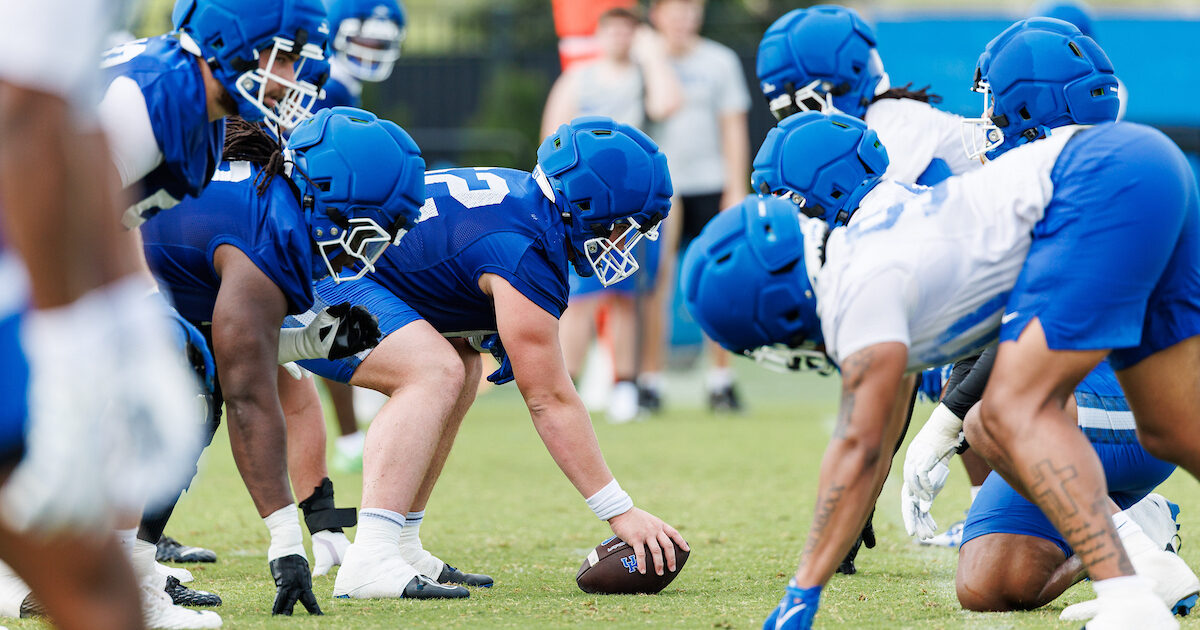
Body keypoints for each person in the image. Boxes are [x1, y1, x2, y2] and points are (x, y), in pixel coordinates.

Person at [682, 52, 1197, 624]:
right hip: (1140, 167)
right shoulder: (865, 254)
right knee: (1175, 426)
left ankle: (1129, 596)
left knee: (1003, 413)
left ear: (777, 307)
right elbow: (873, 437)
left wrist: (804, 590)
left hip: (1105, 178)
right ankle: (1132, 558)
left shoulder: (858, 284)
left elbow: (856, 447)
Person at [282, 116, 689, 599]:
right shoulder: (524, 248)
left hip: (325, 270)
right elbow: (550, 401)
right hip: (305, 279)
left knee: (460, 359)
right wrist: (619, 510)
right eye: (624, 226)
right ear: (588, 205)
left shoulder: (526, 204)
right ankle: (370, 557)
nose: (626, 242)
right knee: (433, 370)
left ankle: (400, 544)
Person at [140, 107, 427, 613]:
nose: (372, 246)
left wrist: (305, 344)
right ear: (332, 197)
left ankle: (130, 563)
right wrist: (286, 543)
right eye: (372, 224)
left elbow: (226, 345)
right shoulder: (269, 233)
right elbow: (247, 391)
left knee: (191, 384)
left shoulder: (264, 197)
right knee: (188, 401)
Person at [756, 4, 995, 553]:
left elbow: (879, 236)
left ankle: (992, 508)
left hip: (1007, 281)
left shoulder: (893, 127)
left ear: (839, 82)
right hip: (972, 279)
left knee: (919, 370)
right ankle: (981, 507)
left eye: (799, 95)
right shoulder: (868, 126)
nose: (790, 113)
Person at [903, 349, 1193, 615]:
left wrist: (945, 423)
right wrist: (938, 443)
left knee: (993, 417)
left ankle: (1141, 560)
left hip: (1138, 396)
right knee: (986, 587)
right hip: (1053, 414)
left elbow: (1019, 333)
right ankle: (1133, 524)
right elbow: (980, 346)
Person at [541, 6, 681, 422]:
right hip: (587, 206)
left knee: (628, 296)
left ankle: (625, 384)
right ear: (601, 35)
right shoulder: (578, 80)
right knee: (582, 297)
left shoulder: (646, 74)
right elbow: (551, 137)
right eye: (614, 30)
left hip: (634, 204)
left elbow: (667, 104)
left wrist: (653, 56)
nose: (621, 38)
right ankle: (565, 382)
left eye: (629, 31)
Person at [312, 0, 409, 473]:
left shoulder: (342, 84)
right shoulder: (326, 83)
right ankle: (351, 433)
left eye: (380, 42)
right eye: (364, 38)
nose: (371, 50)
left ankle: (350, 433)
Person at [642, 0, 750, 413]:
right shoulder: (646, 60)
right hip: (662, 190)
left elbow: (733, 126)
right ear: (657, 15)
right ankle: (650, 383)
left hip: (711, 184)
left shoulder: (718, 61)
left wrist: (734, 186)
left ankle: (720, 381)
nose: (685, 18)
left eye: (692, 10)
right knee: (657, 285)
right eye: (676, 10)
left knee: (718, 284)